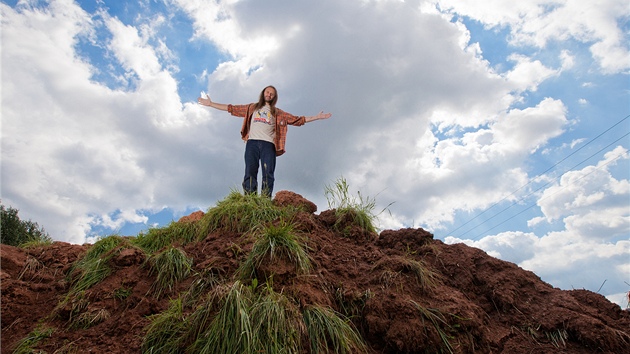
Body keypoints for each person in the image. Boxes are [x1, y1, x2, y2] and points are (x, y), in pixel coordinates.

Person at [197, 85, 332, 197]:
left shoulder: (278, 112)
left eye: (272, 94)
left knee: (268, 172)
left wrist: (316, 117)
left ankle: (265, 200)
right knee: (250, 170)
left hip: (269, 145)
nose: (269, 95)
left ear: (274, 97)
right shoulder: (252, 107)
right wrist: (211, 104)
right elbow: (231, 108)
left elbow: (297, 120)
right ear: (263, 93)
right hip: (252, 143)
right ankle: (250, 199)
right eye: (267, 92)